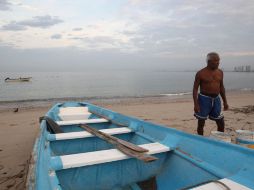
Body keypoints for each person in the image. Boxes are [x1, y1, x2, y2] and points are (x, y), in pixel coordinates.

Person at [193, 52, 229, 135]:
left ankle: (220, 139)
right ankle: (200, 139)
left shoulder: (220, 72)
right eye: (215, 61)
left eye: (218, 60)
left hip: (216, 99)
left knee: (220, 121)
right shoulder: (200, 73)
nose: (218, 62)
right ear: (209, 62)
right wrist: (196, 104)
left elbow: (221, 87)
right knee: (201, 122)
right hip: (204, 99)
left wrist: (225, 102)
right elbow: (195, 89)